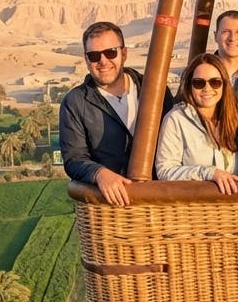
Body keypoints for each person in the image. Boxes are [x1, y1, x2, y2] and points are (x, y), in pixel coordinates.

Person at [60, 21, 174, 207]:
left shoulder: (155, 90)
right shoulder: (75, 102)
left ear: (124, 53)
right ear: (87, 60)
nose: (103, 61)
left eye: (110, 52)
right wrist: (99, 173)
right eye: (94, 55)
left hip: (162, 201)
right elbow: (74, 159)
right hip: (114, 208)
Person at [154, 53, 238, 194]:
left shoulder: (233, 120)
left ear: (224, 84)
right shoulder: (176, 119)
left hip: (230, 210)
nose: (207, 88)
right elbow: (165, 171)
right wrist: (208, 173)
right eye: (199, 83)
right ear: (189, 85)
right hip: (192, 209)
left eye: (215, 82)